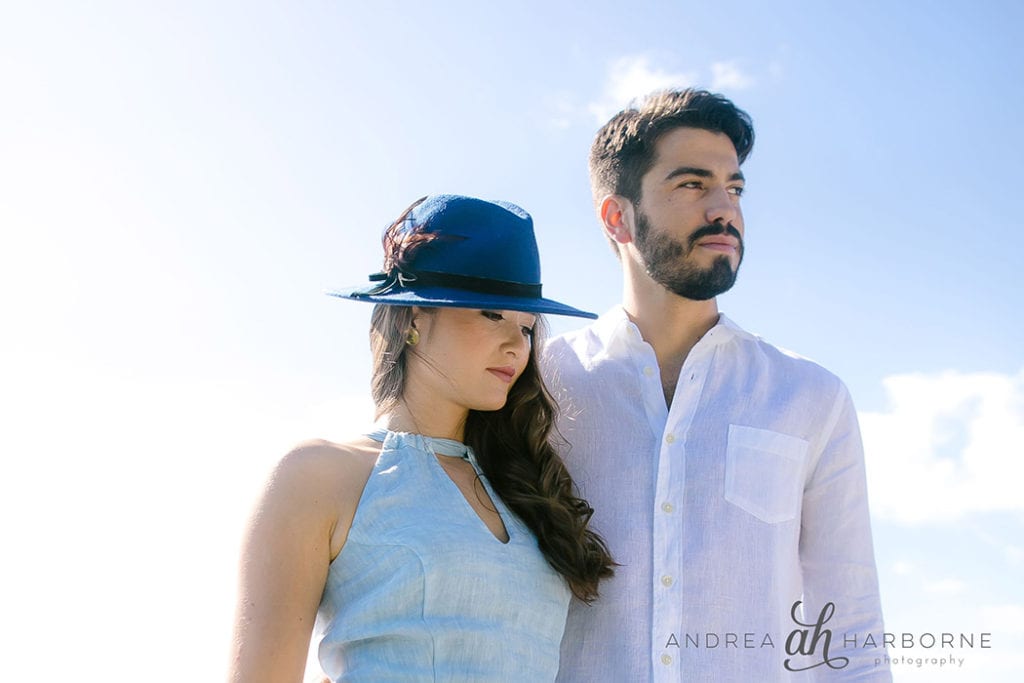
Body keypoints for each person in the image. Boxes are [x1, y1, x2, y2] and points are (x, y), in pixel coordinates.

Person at [545, 89, 891, 681]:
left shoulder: (812, 397)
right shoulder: (543, 384)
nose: (723, 209)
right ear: (617, 216)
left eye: (734, 188)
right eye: (691, 184)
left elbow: (850, 626)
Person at [228, 194, 614, 682]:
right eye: (492, 315)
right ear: (413, 318)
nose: (517, 345)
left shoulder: (525, 487)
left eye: (527, 326)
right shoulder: (318, 475)